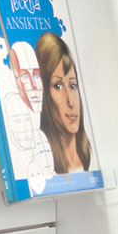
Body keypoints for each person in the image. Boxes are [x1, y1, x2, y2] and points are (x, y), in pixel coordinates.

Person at [34, 31, 91, 175]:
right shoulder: (43, 165)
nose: (70, 101)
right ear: (44, 94)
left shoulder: (87, 159)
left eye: (72, 85)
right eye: (58, 86)